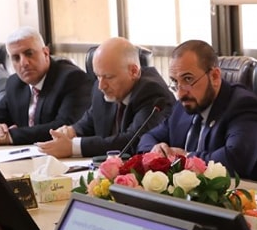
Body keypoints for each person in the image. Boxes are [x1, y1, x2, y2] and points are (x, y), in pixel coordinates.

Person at [138, 39, 257, 180]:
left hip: (247, 191)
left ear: (215, 76)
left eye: (188, 79)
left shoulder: (244, 105)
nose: (180, 94)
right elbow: (147, 138)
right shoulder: (184, 106)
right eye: (175, 82)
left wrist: (185, 158)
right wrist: (156, 150)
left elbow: (234, 161)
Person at [37, 37, 173, 158]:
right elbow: (90, 121)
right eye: (98, 76)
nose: (101, 86)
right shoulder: (104, 87)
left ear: (133, 71)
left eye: (108, 77)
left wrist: (73, 147)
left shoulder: (152, 91)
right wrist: (71, 131)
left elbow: (132, 141)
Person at [0, 27, 92, 148]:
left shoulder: (71, 79)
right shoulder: (15, 83)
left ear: (45, 53)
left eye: (29, 54)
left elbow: (63, 127)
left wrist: (8, 137)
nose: (24, 63)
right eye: (16, 58)